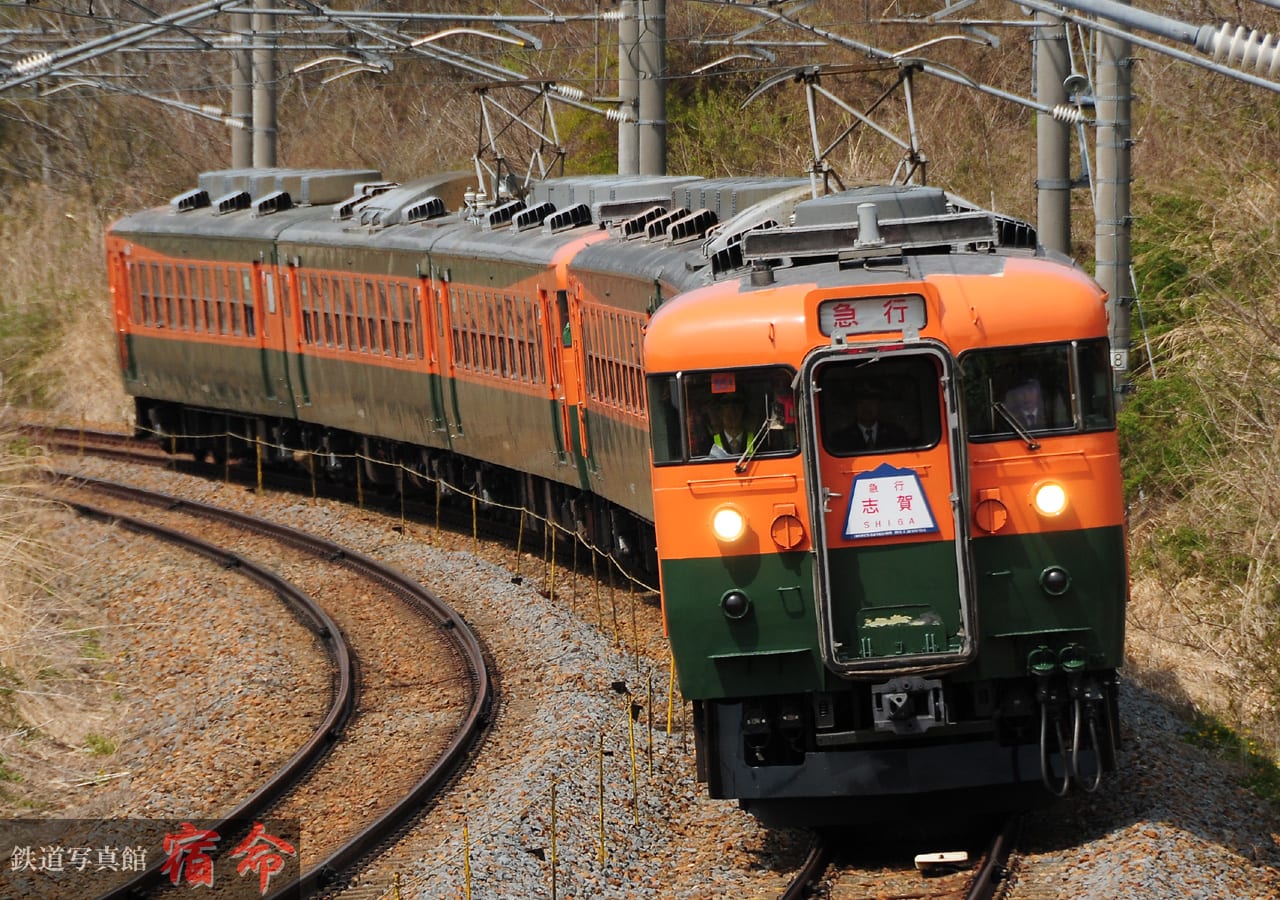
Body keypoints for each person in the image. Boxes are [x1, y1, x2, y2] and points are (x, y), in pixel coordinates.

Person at [835, 384, 909, 452]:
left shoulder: (896, 434)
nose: (866, 408)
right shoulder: (842, 439)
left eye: (872, 402)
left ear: (879, 406)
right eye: (861, 403)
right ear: (854, 407)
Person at [709, 393, 753, 458]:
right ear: (719, 412)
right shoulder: (709, 444)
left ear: (743, 410)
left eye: (737, 401)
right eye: (726, 403)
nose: (732, 409)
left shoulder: (758, 442)